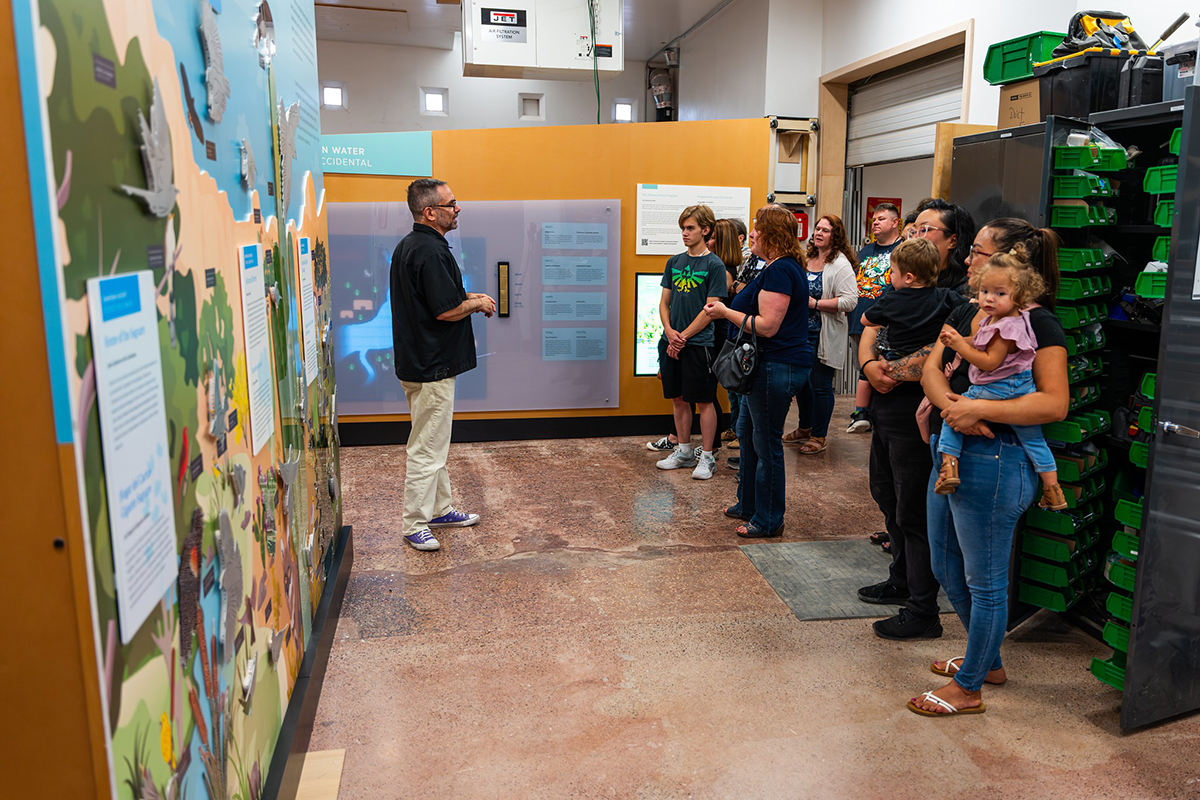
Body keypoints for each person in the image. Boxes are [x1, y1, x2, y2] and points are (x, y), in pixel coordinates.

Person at [911, 218, 1068, 715]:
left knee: (986, 580)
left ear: (1013, 264)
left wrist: (977, 410)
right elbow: (933, 370)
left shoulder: (1039, 325)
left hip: (997, 462)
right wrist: (954, 406)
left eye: (978, 253)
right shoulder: (968, 309)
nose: (966, 261)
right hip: (952, 450)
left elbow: (1053, 404)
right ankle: (989, 658)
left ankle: (972, 684)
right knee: (943, 563)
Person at [855, 233, 971, 641]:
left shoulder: (894, 300)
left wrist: (882, 365)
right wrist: (871, 365)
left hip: (913, 411)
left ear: (903, 274)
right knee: (886, 493)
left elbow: (868, 322)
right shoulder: (948, 300)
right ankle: (901, 578)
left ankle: (923, 607)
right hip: (889, 408)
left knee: (912, 510)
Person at [390, 179, 495, 551]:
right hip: (431, 366)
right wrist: (477, 304)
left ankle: (439, 508)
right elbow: (445, 310)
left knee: (435, 441)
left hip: (420, 362)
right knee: (427, 447)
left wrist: (469, 294)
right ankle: (415, 523)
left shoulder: (412, 246)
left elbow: (434, 296)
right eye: (451, 204)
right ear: (430, 212)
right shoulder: (431, 252)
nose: (458, 208)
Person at [703, 205, 811, 538]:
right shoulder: (776, 267)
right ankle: (748, 503)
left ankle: (768, 519)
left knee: (766, 444)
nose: (751, 236)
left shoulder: (780, 271)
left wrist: (724, 312)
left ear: (770, 235)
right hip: (770, 364)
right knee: (748, 434)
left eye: (756, 230)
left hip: (777, 363)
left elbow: (767, 326)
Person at [933, 257, 1068, 510]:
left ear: (1020, 296)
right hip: (1019, 387)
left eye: (1000, 293)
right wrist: (963, 340)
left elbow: (989, 362)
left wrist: (960, 345)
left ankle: (949, 466)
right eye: (985, 291)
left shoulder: (1007, 326)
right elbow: (983, 342)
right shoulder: (1005, 320)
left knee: (952, 416)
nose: (989, 299)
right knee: (1034, 441)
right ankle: (1053, 489)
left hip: (997, 388)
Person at [654, 205, 727, 480]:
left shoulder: (714, 265)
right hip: (671, 340)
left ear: (705, 230)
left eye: (690, 228)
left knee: (705, 400)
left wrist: (683, 336)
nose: (684, 233)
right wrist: (669, 331)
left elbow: (712, 309)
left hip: (699, 344)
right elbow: (664, 302)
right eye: (683, 228)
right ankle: (683, 450)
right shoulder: (674, 262)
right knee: (678, 398)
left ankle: (707, 457)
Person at [784, 214, 858, 454]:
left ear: (835, 236)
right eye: (817, 229)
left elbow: (850, 301)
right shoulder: (806, 258)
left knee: (820, 385)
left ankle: (819, 435)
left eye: (825, 230)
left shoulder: (840, 264)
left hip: (823, 334)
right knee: (802, 385)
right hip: (799, 333)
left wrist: (815, 304)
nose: (818, 233)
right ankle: (804, 428)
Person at [847, 202, 903, 434]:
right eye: (873, 219)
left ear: (895, 222)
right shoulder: (865, 251)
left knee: (878, 369)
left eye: (881, 219)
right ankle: (863, 413)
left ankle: (870, 414)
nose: (875, 223)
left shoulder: (903, 250)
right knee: (862, 367)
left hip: (887, 323)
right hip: (858, 320)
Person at [710, 219, 746, 451]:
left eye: (713, 237)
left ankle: (742, 433)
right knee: (731, 388)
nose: (708, 241)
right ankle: (736, 427)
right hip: (730, 334)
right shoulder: (726, 268)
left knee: (736, 387)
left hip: (727, 335)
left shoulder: (724, 270)